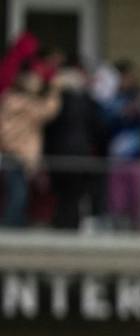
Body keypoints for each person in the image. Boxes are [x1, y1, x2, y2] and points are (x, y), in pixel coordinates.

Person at [41, 60, 101, 229]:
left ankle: (61, 224)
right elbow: (97, 126)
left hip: (58, 153)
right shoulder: (86, 101)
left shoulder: (55, 100)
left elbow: (48, 127)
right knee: (74, 195)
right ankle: (71, 226)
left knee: (60, 194)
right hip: (79, 153)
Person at [0, 64, 60, 227]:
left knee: (14, 191)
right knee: (19, 193)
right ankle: (12, 227)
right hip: (19, 153)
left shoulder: (9, 100)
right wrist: (55, 89)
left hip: (11, 151)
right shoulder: (25, 104)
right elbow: (48, 110)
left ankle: (12, 224)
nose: (38, 83)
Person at [98, 60, 140, 230]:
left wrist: (138, 111)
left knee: (137, 199)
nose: (127, 80)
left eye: (129, 77)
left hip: (136, 157)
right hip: (115, 157)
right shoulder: (110, 99)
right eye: (123, 77)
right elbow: (104, 122)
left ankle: (137, 231)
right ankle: (116, 231)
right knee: (116, 201)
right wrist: (122, 113)